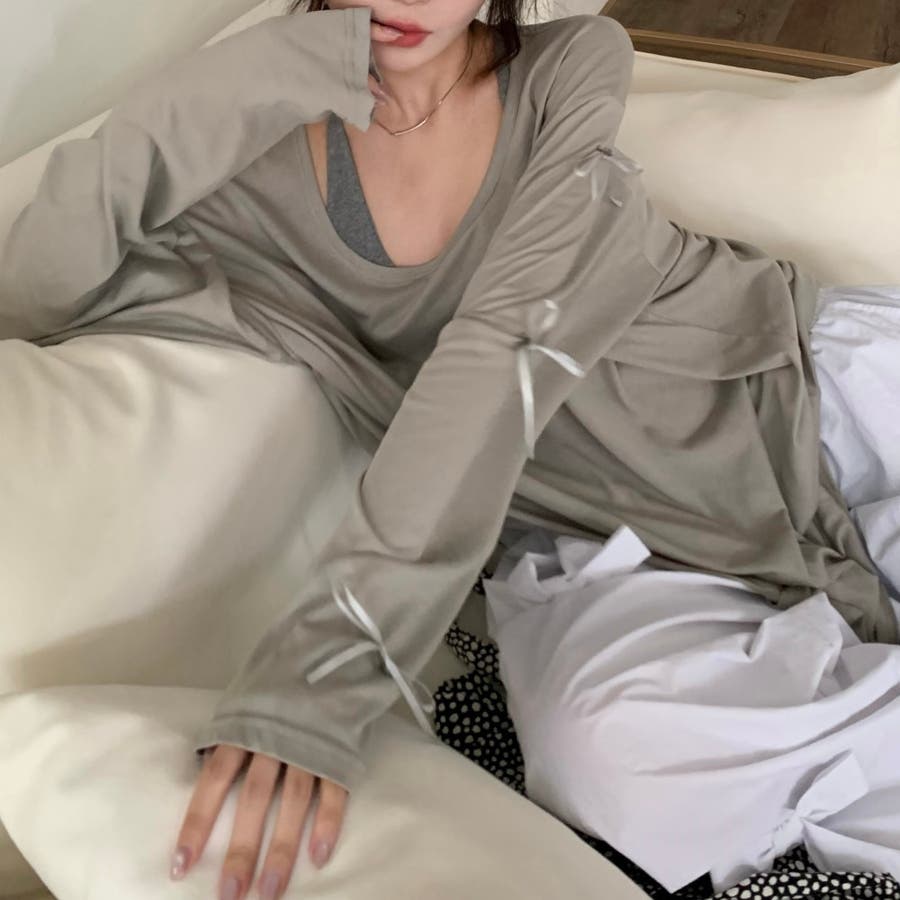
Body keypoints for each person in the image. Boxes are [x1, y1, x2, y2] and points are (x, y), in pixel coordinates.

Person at [2, 3, 897, 899]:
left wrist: (325, 668)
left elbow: (505, 345)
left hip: (791, 379)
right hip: (609, 547)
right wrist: (250, 71)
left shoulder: (570, 67)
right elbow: (35, 285)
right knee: (609, 758)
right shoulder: (251, 157)